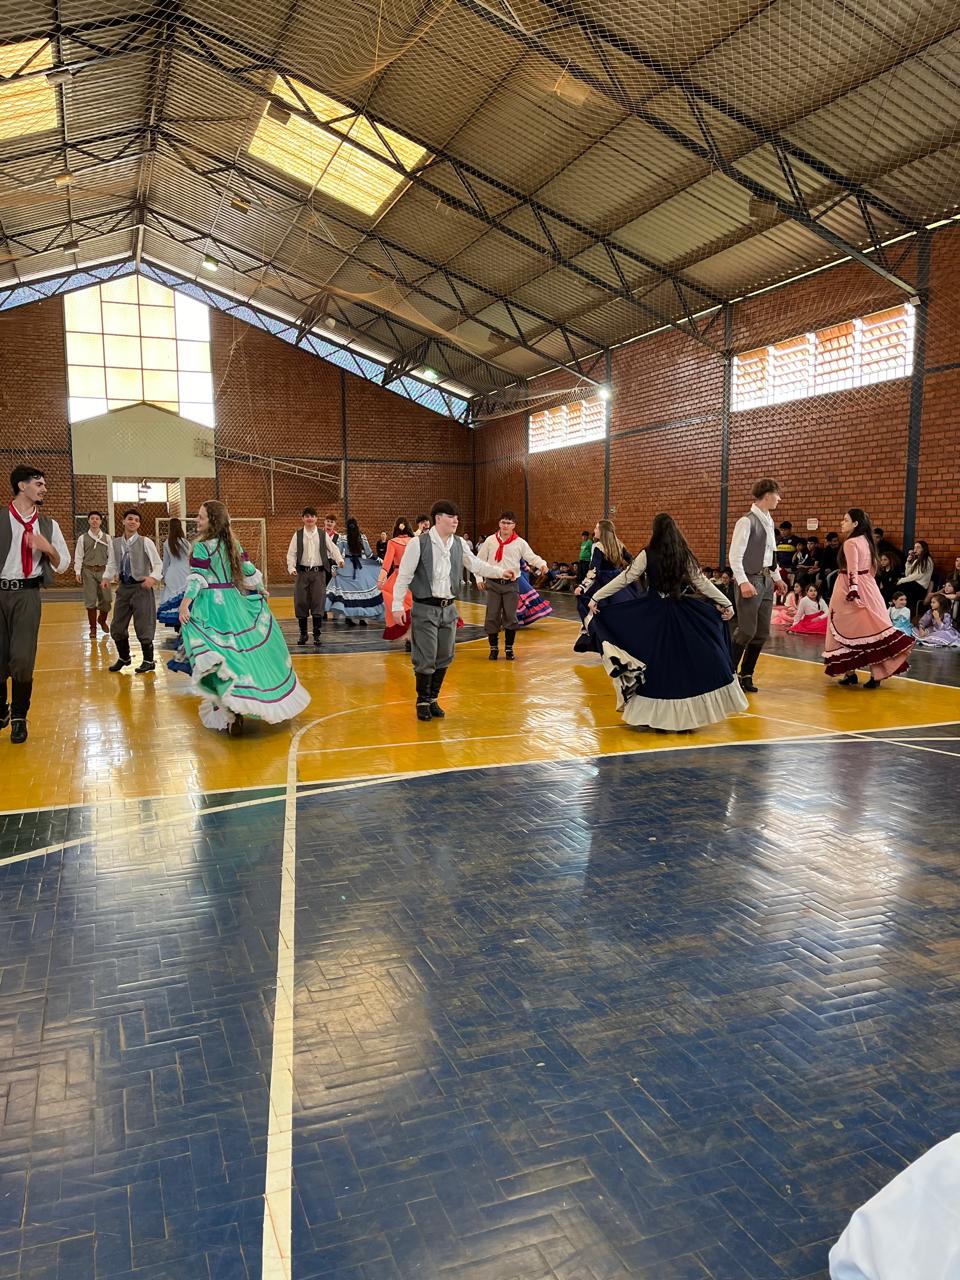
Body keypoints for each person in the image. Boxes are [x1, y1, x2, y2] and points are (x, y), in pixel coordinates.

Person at [586, 512, 745, 732]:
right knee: (685, 664)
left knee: (656, 665)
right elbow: (702, 582)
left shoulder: (648, 553)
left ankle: (658, 718)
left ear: (655, 531)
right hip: (681, 612)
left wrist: (596, 596)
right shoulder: (683, 554)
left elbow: (626, 578)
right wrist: (726, 602)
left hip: (653, 614)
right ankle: (686, 719)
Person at [178, 500, 309, 734]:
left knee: (220, 656)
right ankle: (240, 705)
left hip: (210, 607)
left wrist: (185, 604)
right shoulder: (233, 544)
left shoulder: (202, 547)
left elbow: (198, 577)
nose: (197, 520)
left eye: (201, 517)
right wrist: (260, 589)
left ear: (212, 521)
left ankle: (231, 710)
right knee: (239, 654)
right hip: (234, 603)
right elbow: (249, 570)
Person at [391, 500, 516, 720]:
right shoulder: (418, 543)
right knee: (426, 655)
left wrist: (500, 572)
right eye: (451, 516)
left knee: (445, 655)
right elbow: (404, 576)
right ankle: (422, 700)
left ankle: (433, 699)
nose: (455, 520)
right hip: (425, 607)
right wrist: (397, 605)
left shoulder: (459, 543)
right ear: (438, 518)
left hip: (448, 608)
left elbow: (476, 564)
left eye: (457, 517)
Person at [1, 465, 70, 743]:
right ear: (22, 486)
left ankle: (19, 716)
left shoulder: (49, 525)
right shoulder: (2, 518)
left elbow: (63, 565)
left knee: (22, 657)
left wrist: (47, 547)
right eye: (38, 484)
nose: (44, 489)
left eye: (44, 484)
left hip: (28, 594)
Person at [824, 508, 914, 687]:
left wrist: (853, 590)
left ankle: (850, 673)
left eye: (845, 520)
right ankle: (875, 675)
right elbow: (873, 568)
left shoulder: (851, 542)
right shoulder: (867, 540)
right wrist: (866, 586)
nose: (842, 522)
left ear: (855, 523)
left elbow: (852, 569)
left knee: (845, 629)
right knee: (872, 631)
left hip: (849, 587)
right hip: (869, 585)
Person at [728, 479, 788, 693]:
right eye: (777, 494)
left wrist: (777, 577)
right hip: (750, 579)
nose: (779, 498)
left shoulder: (769, 520)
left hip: (767, 580)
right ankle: (727, 674)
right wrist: (743, 581)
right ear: (768, 495)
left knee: (762, 632)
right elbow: (734, 556)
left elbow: (770, 554)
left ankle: (746, 674)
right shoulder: (746, 521)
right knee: (746, 630)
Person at [475, 512, 548, 660]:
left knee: (511, 616)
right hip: (493, 584)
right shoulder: (490, 541)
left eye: (509, 523)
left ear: (514, 525)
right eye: (503, 522)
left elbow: (531, 556)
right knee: (492, 616)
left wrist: (542, 564)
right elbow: (479, 560)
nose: (505, 526)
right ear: (499, 524)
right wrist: (478, 578)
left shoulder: (520, 543)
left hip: (511, 585)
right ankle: (493, 648)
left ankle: (509, 648)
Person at [101, 509, 163, 674]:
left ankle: (148, 661)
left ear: (139, 524)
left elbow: (158, 564)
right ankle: (124, 657)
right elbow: (112, 563)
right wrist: (106, 577)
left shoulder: (145, 542)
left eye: (136, 520)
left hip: (141, 588)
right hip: (123, 588)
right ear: (123, 521)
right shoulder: (115, 543)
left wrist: (153, 578)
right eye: (130, 519)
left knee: (144, 625)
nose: (133, 522)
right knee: (117, 626)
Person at [574, 519, 635, 653]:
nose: (594, 530)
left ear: (602, 531)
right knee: (619, 615)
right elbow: (633, 562)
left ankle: (607, 645)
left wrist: (582, 587)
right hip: (619, 583)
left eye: (596, 528)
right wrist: (626, 574)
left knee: (597, 613)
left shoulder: (598, 547)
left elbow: (593, 571)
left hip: (603, 584)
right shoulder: (619, 544)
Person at [286, 507, 344, 647]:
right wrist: (291, 568)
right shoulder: (298, 535)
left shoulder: (322, 534)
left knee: (318, 603)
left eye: (312, 516)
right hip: (302, 573)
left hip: (319, 574)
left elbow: (333, 549)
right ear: (303, 519)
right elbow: (291, 553)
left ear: (317, 519)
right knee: (301, 602)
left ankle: (317, 634)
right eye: (307, 516)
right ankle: (303, 633)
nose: (310, 519)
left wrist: (339, 560)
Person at [326, 517, 384, 627]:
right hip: (360, 567)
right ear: (357, 526)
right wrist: (380, 561)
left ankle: (349, 617)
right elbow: (369, 554)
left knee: (348, 593)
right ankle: (362, 618)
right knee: (362, 592)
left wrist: (334, 568)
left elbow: (337, 554)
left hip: (346, 567)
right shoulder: (362, 537)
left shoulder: (343, 538)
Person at [73, 510, 113, 637]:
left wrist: (112, 572)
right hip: (88, 571)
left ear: (101, 522)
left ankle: (102, 619)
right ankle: (93, 628)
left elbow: (111, 557)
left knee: (107, 599)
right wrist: (77, 571)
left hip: (103, 571)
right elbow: (78, 556)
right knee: (90, 601)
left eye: (97, 519)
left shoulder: (107, 538)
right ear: (88, 521)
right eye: (92, 518)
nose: (94, 521)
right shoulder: (82, 538)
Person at [378, 518, 415, 646]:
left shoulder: (392, 542)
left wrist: (380, 579)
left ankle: (408, 637)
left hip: (399, 576)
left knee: (394, 599)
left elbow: (386, 565)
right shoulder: (415, 541)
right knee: (415, 606)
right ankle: (414, 636)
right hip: (415, 577)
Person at [158, 516, 191, 620]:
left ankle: (174, 620)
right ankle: (185, 618)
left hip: (172, 573)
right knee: (184, 595)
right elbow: (190, 559)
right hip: (186, 572)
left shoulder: (167, 543)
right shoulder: (186, 543)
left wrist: (164, 576)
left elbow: (166, 562)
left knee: (172, 595)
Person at [897, 541, 934, 617]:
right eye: (914, 547)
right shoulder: (917, 560)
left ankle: (904, 615)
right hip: (913, 585)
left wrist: (902, 580)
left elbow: (917, 576)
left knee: (898, 590)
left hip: (919, 587)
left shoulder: (927, 560)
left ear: (924, 549)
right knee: (895, 590)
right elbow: (908, 574)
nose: (915, 549)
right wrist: (908, 563)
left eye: (918, 547)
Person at [515, 562, 553, 627]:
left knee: (519, 598)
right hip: (514, 574)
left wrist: (542, 565)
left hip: (517, 574)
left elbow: (529, 558)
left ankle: (516, 620)